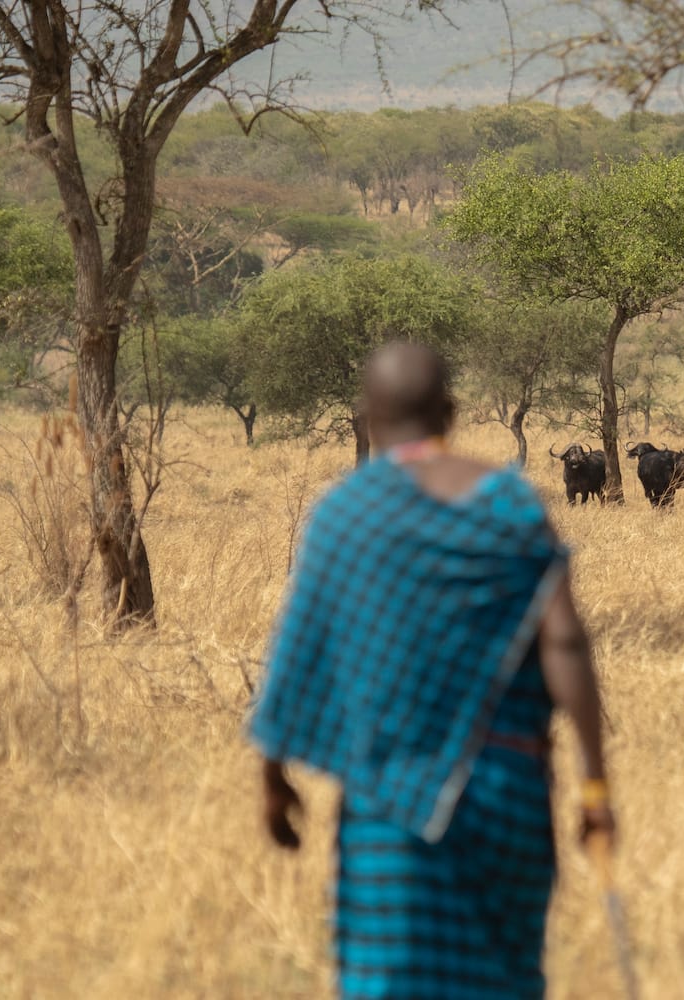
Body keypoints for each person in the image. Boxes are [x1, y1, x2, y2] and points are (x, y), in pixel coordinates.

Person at [250, 342, 615, 1000]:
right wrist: (595, 789)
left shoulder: (346, 511)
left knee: (387, 979)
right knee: (504, 977)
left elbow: (295, 650)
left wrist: (273, 780)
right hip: (508, 793)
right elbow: (565, 642)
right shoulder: (509, 503)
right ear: (450, 411)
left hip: (389, 798)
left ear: (367, 417)